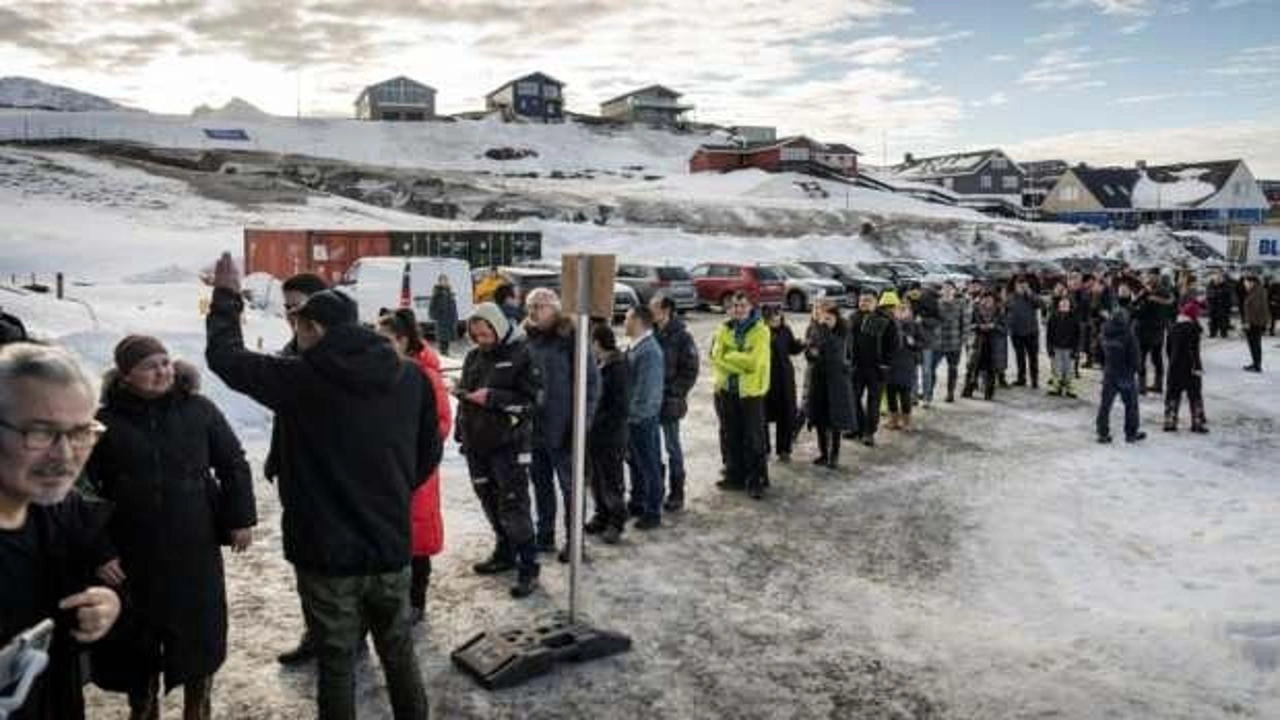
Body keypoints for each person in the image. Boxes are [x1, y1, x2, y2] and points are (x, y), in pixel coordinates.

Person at [205, 254, 438, 720]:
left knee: (336, 662)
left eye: (299, 324)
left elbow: (225, 358)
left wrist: (227, 298)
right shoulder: (410, 375)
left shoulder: (301, 378)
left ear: (314, 328)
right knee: (399, 654)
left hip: (325, 552)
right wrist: (387, 490)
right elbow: (427, 454)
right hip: (389, 544)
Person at [84, 336, 255, 720]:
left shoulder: (199, 410)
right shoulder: (104, 423)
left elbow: (233, 463)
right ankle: (142, 707)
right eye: (150, 365)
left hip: (193, 546)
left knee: (198, 636)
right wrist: (99, 550)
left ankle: (198, 708)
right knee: (136, 643)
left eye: (165, 362)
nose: (163, 371)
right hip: (131, 554)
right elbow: (82, 489)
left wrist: (239, 517)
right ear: (127, 375)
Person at [0, 343, 120, 720]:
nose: (66, 455)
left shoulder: (62, 513)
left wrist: (107, 608)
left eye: (82, 432)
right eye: (40, 432)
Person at [454, 303, 542, 598]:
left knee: (513, 504)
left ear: (498, 327)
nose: (482, 339)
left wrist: (493, 397)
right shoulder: (473, 357)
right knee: (489, 501)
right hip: (477, 445)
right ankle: (504, 553)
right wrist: (461, 432)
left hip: (510, 445)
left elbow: (533, 402)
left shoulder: (522, 354)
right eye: (476, 335)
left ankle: (529, 566)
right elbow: (467, 396)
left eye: (486, 333)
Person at [375, 310, 452, 625]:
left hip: (417, 469)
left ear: (403, 341)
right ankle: (393, 600)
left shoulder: (425, 376)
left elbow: (442, 423)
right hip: (387, 468)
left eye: (385, 340)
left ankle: (416, 601)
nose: (378, 346)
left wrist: (410, 452)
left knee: (417, 537)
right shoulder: (381, 371)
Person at [269, 272, 329, 667]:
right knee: (305, 560)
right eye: (287, 306)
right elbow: (284, 416)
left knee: (336, 565)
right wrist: (276, 456)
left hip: (333, 478)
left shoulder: (345, 355)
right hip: (297, 477)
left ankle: (346, 636)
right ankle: (316, 633)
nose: (291, 314)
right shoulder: (290, 353)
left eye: (298, 305)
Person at [522, 288, 599, 556]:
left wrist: (581, 424)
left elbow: (591, 384)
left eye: (540, 306)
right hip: (534, 428)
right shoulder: (526, 339)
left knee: (571, 488)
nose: (534, 311)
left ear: (555, 308)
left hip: (565, 427)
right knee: (541, 485)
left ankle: (575, 541)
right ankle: (545, 535)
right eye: (530, 306)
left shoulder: (571, 338)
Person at [710, 292, 771, 499]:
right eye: (735, 305)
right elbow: (715, 357)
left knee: (753, 438)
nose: (738, 309)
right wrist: (737, 359)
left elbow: (753, 363)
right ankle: (735, 476)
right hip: (727, 391)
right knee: (731, 435)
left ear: (750, 307)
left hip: (750, 393)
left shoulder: (761, 331)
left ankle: (756, 480)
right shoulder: (723, 328)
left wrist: (729, 356)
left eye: (742, 305)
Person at [651, 295, 698, 513]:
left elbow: (690, 370)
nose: (650, 311)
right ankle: (656, 490)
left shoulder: (682, 337)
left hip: (670, 401)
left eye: (654, 307)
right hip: (649, 401)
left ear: (666, 310)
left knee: (672, 448)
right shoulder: (650, 333)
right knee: (652, 448)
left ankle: (677, 493)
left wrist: (674, 392)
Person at [585, 323, 629, 545]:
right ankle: (601, 515)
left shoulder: (618, 367)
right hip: (595, 435)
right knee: (596, 479)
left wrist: (596, 422)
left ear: (597, 343)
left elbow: (619, 407)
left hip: (611, 436)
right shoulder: (599, 364)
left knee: (611, 480)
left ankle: (616, 521)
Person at [624, 306, 665, 528]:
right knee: (636, 463)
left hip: (641, 418)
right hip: (635, 417)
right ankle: (638, 501)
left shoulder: (648, 351)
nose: (625, 322)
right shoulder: (636, 346)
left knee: (649, 464)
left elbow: (646, 391)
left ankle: (652, 511)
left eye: (628, 318)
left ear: (639, 321)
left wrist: (632, 417)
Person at [803, 300, 855, 468]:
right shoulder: (815, 331)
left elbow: (836, 352)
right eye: (822, 319)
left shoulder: (841, 333)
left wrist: (821, 338)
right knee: (819, 419)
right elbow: (810, 354)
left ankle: (834, 455)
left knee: (835, 421)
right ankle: (823, 453)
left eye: (829, 319)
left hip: (836, 383)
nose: (825, 322)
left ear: (836, 319)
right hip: (818, 381)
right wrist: (811, 353)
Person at [848, 290, 897, 447]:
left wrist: (886, 363)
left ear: (876, 303)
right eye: (862, 300)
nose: (863, 303)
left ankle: (869, 432)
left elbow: (894, 344)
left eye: (868, 300)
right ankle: (858, 427)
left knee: (873, 402)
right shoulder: (852, 318)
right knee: (853, 398)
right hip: (857, 366)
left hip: (877, 369)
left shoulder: (885, 320)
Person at [1096, 307, 1146, 444]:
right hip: (1126, 374)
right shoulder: (1129, 334)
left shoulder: (1104, 331)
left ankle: (1102, 433)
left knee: (1105, 405)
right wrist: (1136, 369)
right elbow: (1135, 356)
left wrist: (1103, 365)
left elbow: (1098, 350)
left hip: (1109, 372)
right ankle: (1131, 433)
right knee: (1131, 405)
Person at [763, 306, 803, 462]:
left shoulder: (786, 330)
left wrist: (800, 344)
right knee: (763, 415)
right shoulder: (761, 332)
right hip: (766, 379)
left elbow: (792, 348)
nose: (776, 320)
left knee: (785, 414)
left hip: (785, 378)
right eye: (773, 317)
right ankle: (764, 448)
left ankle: (784, 449)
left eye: (779, 317)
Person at [1164, 302, 1207, 434]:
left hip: (1175, 366)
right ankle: (1197, 422)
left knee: (1172, 393)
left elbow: (1168, 349)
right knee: (1194, 394)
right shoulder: (1194, 329)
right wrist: (1198, 366)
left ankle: (1170, 421)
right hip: (1191, 366)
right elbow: (1195, 351)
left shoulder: (1173, 328)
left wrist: (1172, 360)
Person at [926, 282, 967, 404]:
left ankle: (950, 393)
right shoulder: (936, 304)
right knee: (931, 368)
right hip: (937, 343)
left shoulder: (960, 304)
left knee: (953, 369)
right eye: (945, 289)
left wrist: (963, 339)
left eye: (950, 289)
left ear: (954, 291)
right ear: (941, 291)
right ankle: (929, 393)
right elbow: (930, 321)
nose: (948, 291)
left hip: (954, 342)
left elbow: (964, 323)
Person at [1134, 272, 1173, 394]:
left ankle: (1143, 387)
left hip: (1146, 330)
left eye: (1150, 276)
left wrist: (1140, 298)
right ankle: (1157, 385)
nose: (1148, 278)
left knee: (1143, 358)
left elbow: (1138, 310)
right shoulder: (1163, 292)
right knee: (1156, 358)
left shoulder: (1151, 293)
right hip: (1157, 331)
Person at [886, 301, 922, 431]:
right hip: (891, 363)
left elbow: (922, 343)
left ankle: (907, 421)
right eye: (898, 309)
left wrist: (912, 343)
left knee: (905, 393)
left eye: (904, 309)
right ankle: (893, 420)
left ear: (909, 312)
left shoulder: (915, 326)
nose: (900, 312)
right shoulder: (890, 324)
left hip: (907, 362)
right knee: (890, 392)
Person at [963, 293, 1004, 401]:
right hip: (977, 343)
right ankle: (968, 390)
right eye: (985, 300)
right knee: (972, 368)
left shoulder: (999, 312)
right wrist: (978, 326)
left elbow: (1004, 327)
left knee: (991, 370)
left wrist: (994, 326)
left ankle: (989, 393)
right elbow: (968, 325)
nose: (987, 302)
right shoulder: (975, 310)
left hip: (993, 344)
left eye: (989, 300)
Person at [1007, 277, 1042, 389]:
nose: (1021, 288)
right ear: (1015, 286)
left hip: (1031, 332)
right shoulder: (1011, 297)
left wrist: (1029, 293)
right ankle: (1021, 379)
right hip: (1016, 333)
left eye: (1024, 285)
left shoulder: (1032, 296)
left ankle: (1034, 380)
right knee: (1020, 357)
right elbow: (1006, 312)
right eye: (1019, 285)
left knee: (1033, 358)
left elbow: (1041, 304)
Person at [1046, 297, 1081, 398]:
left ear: (1070, 306)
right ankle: (1057, 386)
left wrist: (1076, 350)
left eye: (1066, 304)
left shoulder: (1074, 318)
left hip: (1070, 347)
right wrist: (1049, 347)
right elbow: (1049, 334)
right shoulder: (1053, 317)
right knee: (1057, 368)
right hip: (1056, 347)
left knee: (1069, 369)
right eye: (1062, 304)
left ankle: (1069, 387)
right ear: (1059, 305)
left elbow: (1078, 335)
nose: (1064, 306)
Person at [1242, 275, 1271, 372]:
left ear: (1252, 282)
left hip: (1255, 323)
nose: (1245, 284)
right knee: (1254, 344)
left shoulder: (1258, 292)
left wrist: (1248, 322)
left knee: (1255, 344)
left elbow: (1256, 309)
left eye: (1246, 282)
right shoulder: (1255, 291)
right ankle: (1255, 363)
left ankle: (1257, 365)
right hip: (1254, 322)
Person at [427, 274, 459, 357]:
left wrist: (455, 317)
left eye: (446, 280)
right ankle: (443, 353)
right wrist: (434, 315)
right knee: (442, 338)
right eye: (442, 280)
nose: (444, 282)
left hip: (449, 318)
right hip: (441, 318)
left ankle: (446, 352)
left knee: (447, 338)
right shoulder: (437, 292)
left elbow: (453, 305)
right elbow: (432, 305)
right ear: (439, 282)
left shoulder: (449, 291)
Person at [1206, 271, 1233, 340]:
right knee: (1212, 321)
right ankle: (1212, 333)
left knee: (1223, 321)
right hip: (1213, 306)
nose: (1217, 280)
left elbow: (1228, 296)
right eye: (1216, 279)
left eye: (1219, 278)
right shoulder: (1210, 285)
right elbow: (1209, 295)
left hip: (1223, 306)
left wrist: (1228, 306)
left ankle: (1223, 333)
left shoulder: (1226, 285)